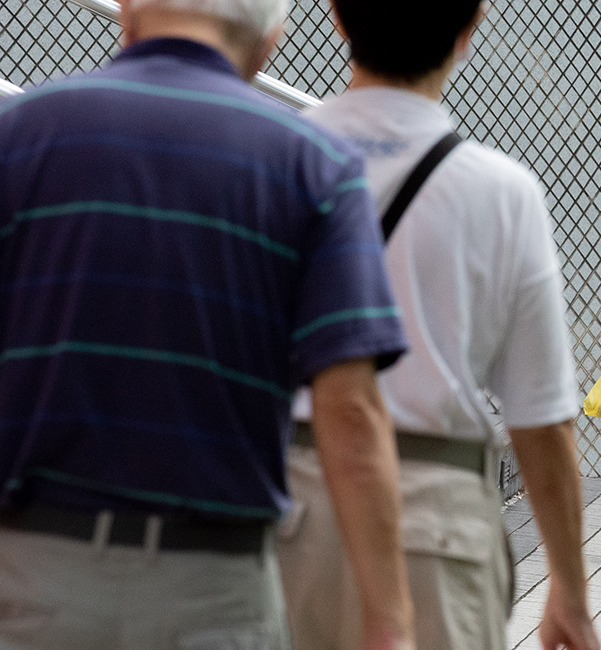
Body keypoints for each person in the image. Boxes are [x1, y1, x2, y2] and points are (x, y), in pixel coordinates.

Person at [0, 1, 416, 648]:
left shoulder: (21, 133)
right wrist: (389, 621)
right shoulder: (315, 167)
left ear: (130, 13)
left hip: (30, 578)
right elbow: (351, 414)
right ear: (271, 40)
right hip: (214, 593)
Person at [278, 2, 601, 649]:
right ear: (470, 27)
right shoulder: (503, 192)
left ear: (337, 18)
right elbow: (540, 418)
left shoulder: (270, 160)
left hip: (285, 512)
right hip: (438, 525)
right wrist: (568, 584)